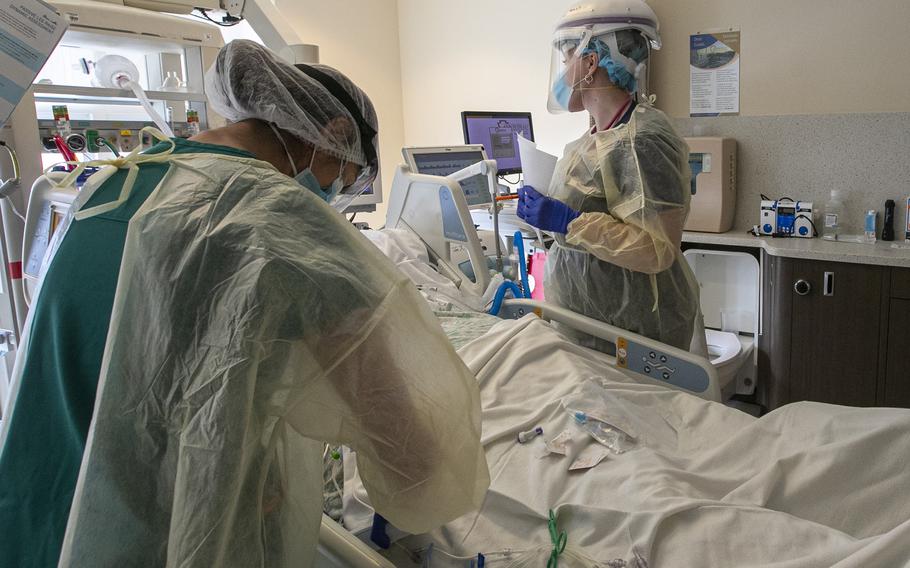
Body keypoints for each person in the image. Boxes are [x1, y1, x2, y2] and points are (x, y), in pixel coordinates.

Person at [0, 39, 488, 567]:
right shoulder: (279, 218)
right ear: (334, 136)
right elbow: (411, 451)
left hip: (36, 505)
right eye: (343, 178)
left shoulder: (111, 184)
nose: (334, 197)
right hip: (147, 537)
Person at [517, 0, 705, 354]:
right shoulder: (593, 138)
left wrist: (570, 221)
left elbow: (656, 248)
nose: (562, 72)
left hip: (636, 329)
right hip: (589, 322)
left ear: (590, 63)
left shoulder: (643, 139)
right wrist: (549, 214)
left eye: (566, 58)